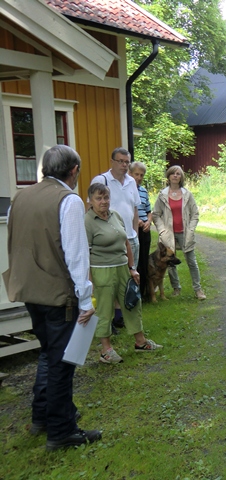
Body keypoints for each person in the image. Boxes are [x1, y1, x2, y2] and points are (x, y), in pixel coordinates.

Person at [3, 145, 102, 451]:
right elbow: (75, 254)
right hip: (58, 295)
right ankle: (61, 431)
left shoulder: (20, 196)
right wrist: (86, 300)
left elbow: (14, 242)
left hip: (30, 291)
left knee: (48, 355)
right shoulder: (68, 200)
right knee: (62, 362)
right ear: (73, 171)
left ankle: (42, 417)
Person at [85, 183, 163, 363]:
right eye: (99, 198)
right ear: (90, 201)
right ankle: (106, 350)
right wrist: (89, 281)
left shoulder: (115, 215)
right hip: (101, 271)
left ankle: (141, 342)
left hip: (122, 269)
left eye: (106, 198)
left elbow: (126, 243)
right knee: (104, 310)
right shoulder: (87, 221)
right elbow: (85, 253)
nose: (103, 202)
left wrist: (131, 268)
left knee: (132, 303)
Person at [91, 147, 140, 330]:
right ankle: (108, 319)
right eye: (120, 161)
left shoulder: (131, 182)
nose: (124, 165)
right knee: (108, 282)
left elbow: (134, 208)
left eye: (127, 162)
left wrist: (134, 233)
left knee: (127, 280)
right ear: (112, 161)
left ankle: (121, 318)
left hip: (129, 238)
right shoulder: (101, 180)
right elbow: (92, 207)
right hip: (108, 240)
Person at [153, 165, 205, 300]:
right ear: (169, 176)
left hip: (185, 233)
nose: (175, 176)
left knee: (191, 262)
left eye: (178, 174)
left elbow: (195, 214)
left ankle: (198, 289)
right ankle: (176, 288)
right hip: (168, 234)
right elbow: (156, 214)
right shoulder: (162, 195)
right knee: (170, 263)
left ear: (181, 177)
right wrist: (162, 230)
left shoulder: (187, 194)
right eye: (173, 173)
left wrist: (191, 229)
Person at [130, 161, 152, 300]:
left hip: (145, 230)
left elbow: (149, 211)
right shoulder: (126, 189)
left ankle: (144, 294)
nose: (139, 177)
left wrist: (149, 222)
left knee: (144, 261)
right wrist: (135, 220)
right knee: (134, 263)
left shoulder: (143, 191)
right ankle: (133, 293)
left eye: (141, 175)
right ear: (130, 174)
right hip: (133, 229)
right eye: (136, 174)